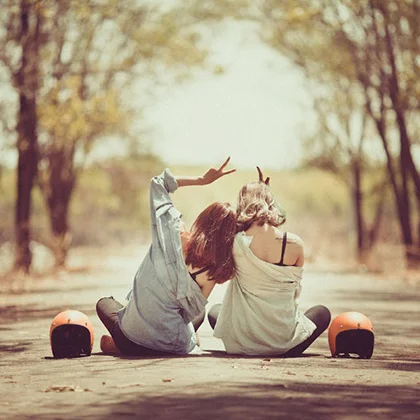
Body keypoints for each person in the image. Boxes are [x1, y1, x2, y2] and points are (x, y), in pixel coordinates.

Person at [96, 158, 237, 356]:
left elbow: (158, 182)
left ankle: (119, 343)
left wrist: (202, 180)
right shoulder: (212, 272)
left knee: (105, 303)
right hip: (172, 345)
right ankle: (184, 338)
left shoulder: (171, 232)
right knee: (199, 314)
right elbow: (190, 313)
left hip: (131, 339)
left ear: (203, 219)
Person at [208, 167, 331, 357]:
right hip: (285, 345)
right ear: (271, 205)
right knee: (322, 313)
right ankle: (281, 343)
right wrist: (266, 193)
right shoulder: (294, 244)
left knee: (215, 311)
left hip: (242, 344)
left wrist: (260, 193)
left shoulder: (234, 243)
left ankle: (250, 340)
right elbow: (295, 293)